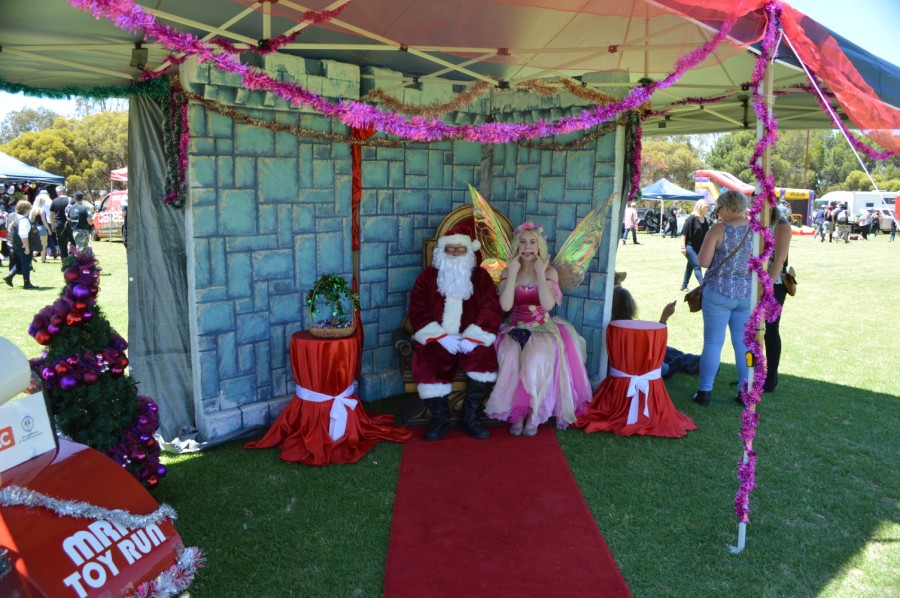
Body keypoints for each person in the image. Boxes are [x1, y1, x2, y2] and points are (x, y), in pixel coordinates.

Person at [484, 223, 592, 436]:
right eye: (523, 242)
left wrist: (540, 274)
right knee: (509, 356)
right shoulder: (509, 270)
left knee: (535, 358)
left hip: (542, 328)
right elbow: (505, 306)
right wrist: (512, 273)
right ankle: (517, 414)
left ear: (539, 246)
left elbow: (548, 305)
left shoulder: (550, 272)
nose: (527, 247)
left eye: (533, 242)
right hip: (514, 328)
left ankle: (534, 414)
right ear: (517, 246)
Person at [409, 225, 503, 441]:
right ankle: (440, 417)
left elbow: (491, 308)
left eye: (460, 249)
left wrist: (475, 337)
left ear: (468, 252)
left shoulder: (481, 277)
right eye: (450, 249)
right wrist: (440, 337)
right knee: (429, 359)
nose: (454, 253)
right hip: (439, 337)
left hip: (471, 337)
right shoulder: (427, 277)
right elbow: (417, 308)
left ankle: (469, 416)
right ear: (441, 251)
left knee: (484, 360)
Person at [692, 190, 753, 406]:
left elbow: (703, 261)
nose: (717, 213)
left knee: (712, 343)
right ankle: (746, 391)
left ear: (727, 208)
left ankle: (704, 391)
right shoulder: (757, 231)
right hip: (746, 294)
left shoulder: (719, 229)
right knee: (744, 345)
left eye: (718, 208)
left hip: (718, 292)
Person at [611, 286, 700, 378]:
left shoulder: (610, 326)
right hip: (639, 367)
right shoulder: (629, 330)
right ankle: (673, 367)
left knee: (663, 349)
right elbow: (654, 346)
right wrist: (664, 318)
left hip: (624, 365)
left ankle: (691, 361)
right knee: (654, 347)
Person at [763, 205, 792, 394]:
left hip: (774, 286)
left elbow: (780, 259)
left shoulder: (781, 224)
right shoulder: (754, 223)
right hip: (753, 284)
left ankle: (771, 376)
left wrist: (766, 287)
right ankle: (752, 372)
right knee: (751, 330)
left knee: (770, 330)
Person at [4, 200, 37, 289]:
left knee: (20, 262)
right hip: (21, 245)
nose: (30, 210)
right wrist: (27, 247)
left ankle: (10, 276)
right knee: (26, 263)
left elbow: (8, 227)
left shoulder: (11, 215)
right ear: (25, 209)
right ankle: (27, 283)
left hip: (13, 243)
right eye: (29, 208)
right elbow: (23, 234)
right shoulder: (23, 220)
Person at [679, 200, 710, 291]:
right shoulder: (691, 218)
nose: (707, 209)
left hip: (699, 248)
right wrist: (683, 247)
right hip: (689, 247)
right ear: (700, 207)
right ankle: (704, 287)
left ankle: (684, 286)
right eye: (706, 207)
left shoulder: (704, 219)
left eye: (707, 207)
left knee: (690, 266)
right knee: (697, 265)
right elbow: (684, 234)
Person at [29, 190, 53, 263]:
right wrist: (49, 230)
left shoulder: (32, 210)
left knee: (38, 243)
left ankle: (33, 255)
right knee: (44, 244)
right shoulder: (41, 211)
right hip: (41, 228)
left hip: (33, 228)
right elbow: (44, 222)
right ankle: (42, 259)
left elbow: (30, 220)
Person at [50, 186, 73, 258]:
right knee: (73, 240)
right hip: (70, 223)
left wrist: (53, 225)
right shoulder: (71, 200)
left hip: (59, 224)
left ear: (59, 192)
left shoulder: (54, 201)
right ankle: (72, 256)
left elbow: (52, 214)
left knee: (62, 242)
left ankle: (64, 258)